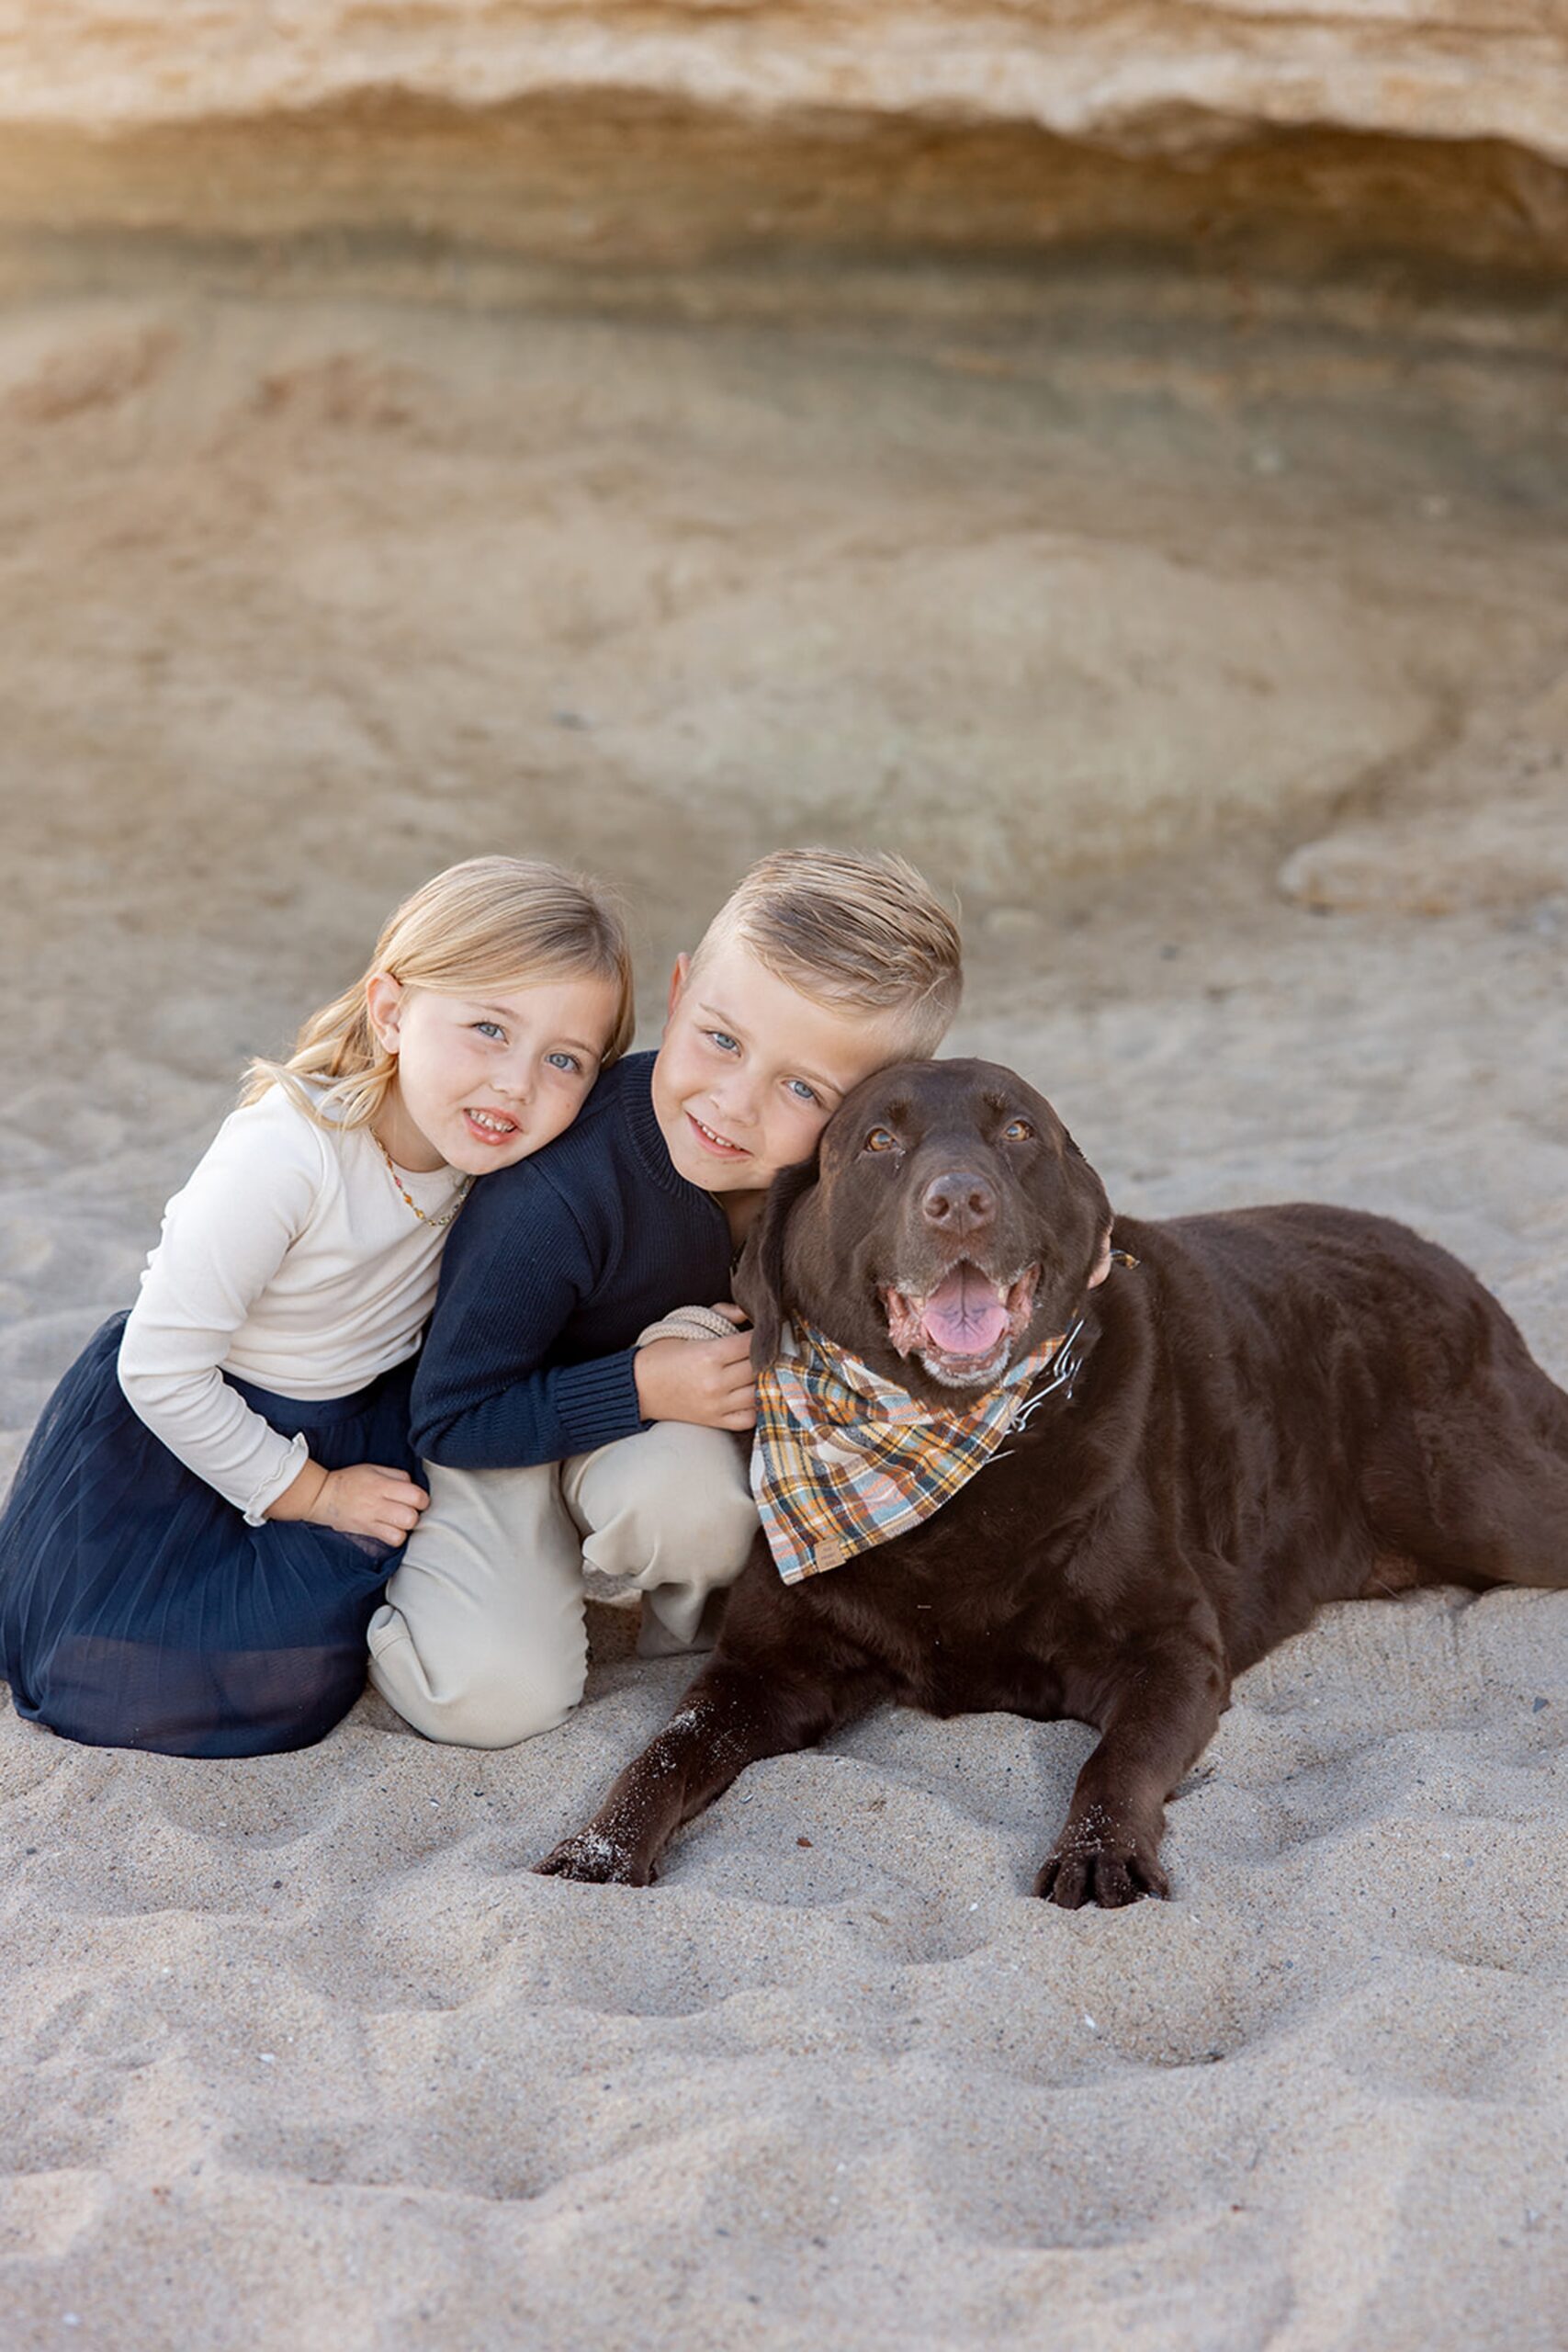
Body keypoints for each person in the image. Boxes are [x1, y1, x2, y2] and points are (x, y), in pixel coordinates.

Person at [0, 856, 634, 1758]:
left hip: (351, 1412)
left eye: (563, 1059)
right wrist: (314, 1493)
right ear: (391, 1013)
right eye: (488, 1028)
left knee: (304, 1649)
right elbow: (159, 1366)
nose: (516, 1082)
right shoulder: (289, 1155)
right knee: (184, 1679)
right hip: (184, 1431)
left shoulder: (495, 1162)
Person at [369, 846, 964, 1747]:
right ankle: (406, 1597)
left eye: (803, 1088)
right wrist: (644, 1388)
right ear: (681, 990)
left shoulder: (852, 1180)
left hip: (646, 1418)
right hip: (493, 1421)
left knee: (695, 1510)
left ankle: (685, 1614)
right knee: (490, 1698)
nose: (731, 1103)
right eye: (720, 1040)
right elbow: (451, 1413)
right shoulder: (553, 1196)